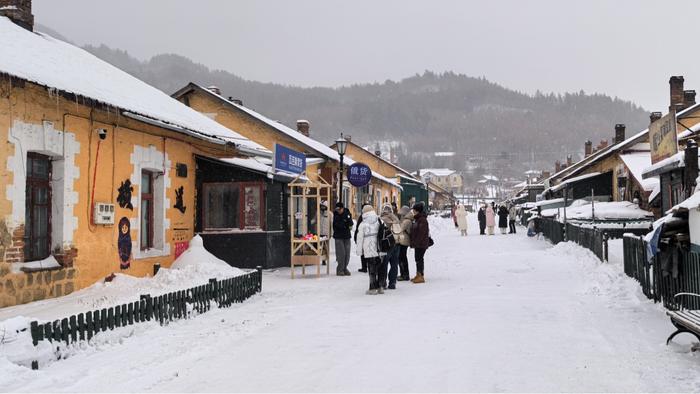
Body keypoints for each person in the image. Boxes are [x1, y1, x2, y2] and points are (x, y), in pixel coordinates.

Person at [356, 205, 384, 295]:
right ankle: (380, 287)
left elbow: (360, 239)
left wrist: (359, 251)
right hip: (379, 247)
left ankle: (372, 288)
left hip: (368, 248)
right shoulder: (379, 220)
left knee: (371, 268)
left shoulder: (363, 224)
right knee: (380, 268)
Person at [379, 203, 400, 289]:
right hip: (396, 244)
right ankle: (393, 282)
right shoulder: (396, 219)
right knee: (394, 264)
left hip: (386, 245)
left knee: (384, 264)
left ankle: (383, 283)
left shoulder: (382, 219)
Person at [410, 201, 430, 284]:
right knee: (418, 259)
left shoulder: (422, 220)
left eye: (414, 210)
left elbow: (421, 233)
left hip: (421, 244)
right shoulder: (418, 219)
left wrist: (416, 243)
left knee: (419, 259)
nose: (413, 212)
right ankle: (419, 274)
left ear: (417, 211)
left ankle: (420, 276)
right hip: (419, 243)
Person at [332, 202, 353, 276]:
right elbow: (337, 225)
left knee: (347, 254)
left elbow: (350, 223)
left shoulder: (347, 213)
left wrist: (347, 222)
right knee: (341, 254)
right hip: (338, 236)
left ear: (343, 208)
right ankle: (340, 270)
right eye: (337, 209)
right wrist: (345, 223)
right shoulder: (336, 214)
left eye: (339, 209)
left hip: (347, 236)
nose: (338, 211)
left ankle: (345, 268)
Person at [397, 205, 413, 281]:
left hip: (404, 241)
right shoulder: (406, 219)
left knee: (402, 258)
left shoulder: (406, 221)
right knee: (402, 258)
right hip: (403, 241)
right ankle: (404, 274)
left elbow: (399, 229)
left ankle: (405, 275)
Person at [354, 205, 368, 273]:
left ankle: (364, 267)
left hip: (363, 238)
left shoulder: (362, 217)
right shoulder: (372, 217)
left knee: (363, 253)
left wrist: (356, 237)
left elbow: (358, 228)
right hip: (368, 238)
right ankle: (367, 266)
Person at [319, 200, 330, 265]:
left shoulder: (329, 214)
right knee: (319, 247)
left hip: (326, 233)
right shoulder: (318, 213)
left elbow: (332, 224)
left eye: (323, 206)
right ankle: (321, 258)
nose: (322, 208)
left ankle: (325, 259)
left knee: (326, 247)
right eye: (321, 206)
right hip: (319, 232)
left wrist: (331, 233)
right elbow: (314, 220)